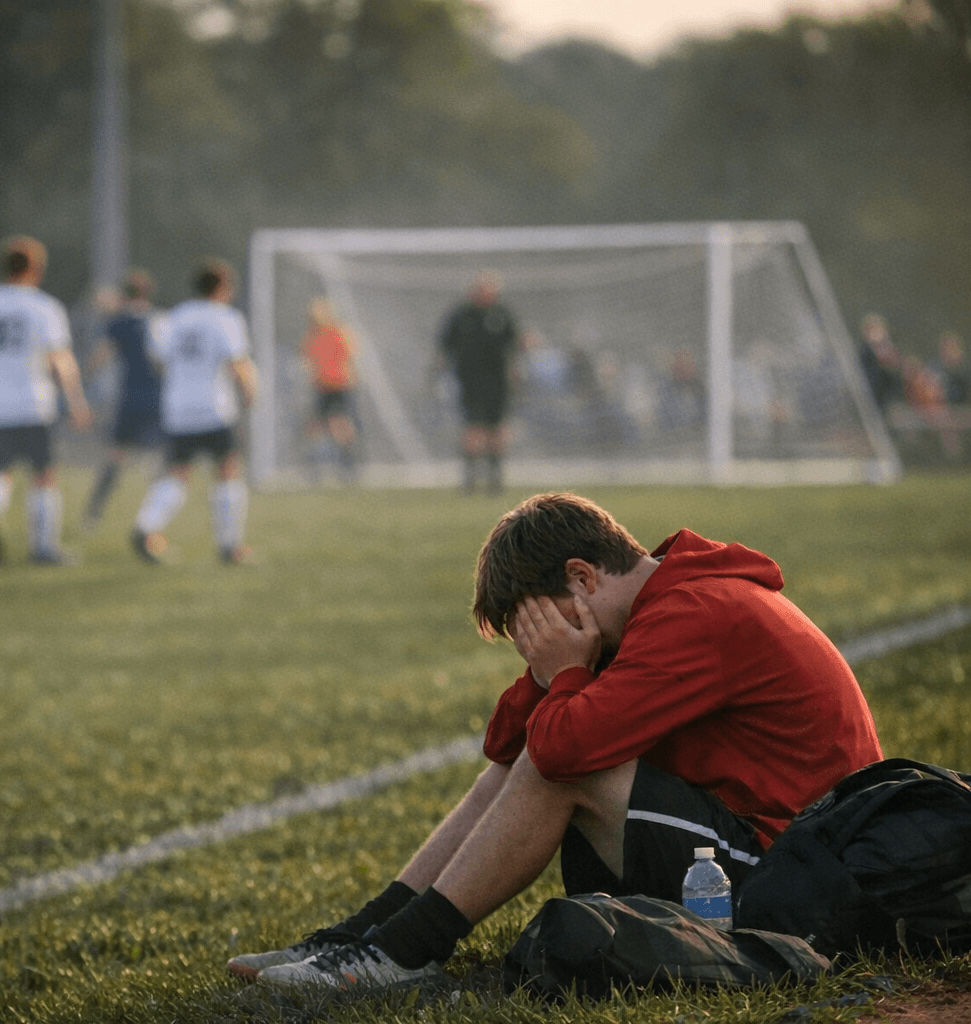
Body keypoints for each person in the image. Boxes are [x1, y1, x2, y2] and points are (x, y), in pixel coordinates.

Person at [227, 491, 882, 992]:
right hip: (766, 854)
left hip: (796, 882)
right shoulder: (655, 605)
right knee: (536, 757)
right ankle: (365, 935)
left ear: (583, 577)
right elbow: (504, 747)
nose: (536, 643)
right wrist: (553, 670)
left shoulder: (695, 613)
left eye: (538, 624)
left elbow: (558, 755)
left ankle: (401, 952)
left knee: (563, 765)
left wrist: (567, 671)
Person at [0, 235, 93, 564]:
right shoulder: (45, 307)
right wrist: (77, 403)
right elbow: (60, 361)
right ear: (37, 268)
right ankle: (44, 548)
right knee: (43, 475)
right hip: (34, 404)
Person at [130, 259, 258, 565]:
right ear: (222, 288)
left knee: (177, 474)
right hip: (215, 407)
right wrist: (250, 395)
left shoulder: (175, 317)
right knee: (227, 471)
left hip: (178, 408)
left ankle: (146, 527)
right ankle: (230, 546)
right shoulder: (225, 317)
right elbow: (238, 363)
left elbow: (159, 361)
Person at [82, 268, 164, 529]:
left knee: (116, 455)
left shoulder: (118, 323)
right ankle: (153, 518)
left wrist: (84, 378)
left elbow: (100, 357)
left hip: (130, 397)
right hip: (159, 397)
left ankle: (93, 513)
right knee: (167, 458)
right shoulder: (159, 319)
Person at [436, 272, 518, 492]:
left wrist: (515, 370)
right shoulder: (461, 315)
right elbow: (445, 345)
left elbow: (514, 344)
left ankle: (495, 479)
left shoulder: (502, 314)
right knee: (473, 428)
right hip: (470, 382)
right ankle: (470, 479)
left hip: (498, 382)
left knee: (496, 429)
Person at [299, 296, 359, 482]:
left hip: (339, 385)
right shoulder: (312, 336)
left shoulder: (339, 333)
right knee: (316, 426)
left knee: (339, 424)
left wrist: (349, 373)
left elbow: (350, 356)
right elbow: (306, 358)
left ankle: (348, 464)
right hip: (322, 386)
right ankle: (316, 465)